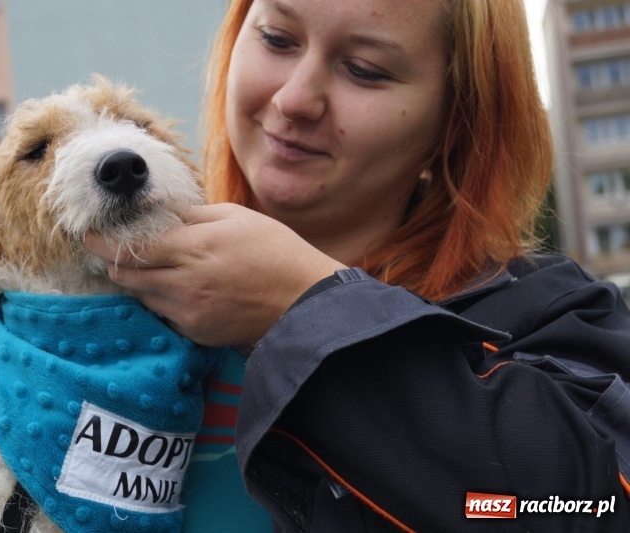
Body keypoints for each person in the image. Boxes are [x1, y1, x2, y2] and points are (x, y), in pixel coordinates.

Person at [86, 0, 630, 530]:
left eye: (365, 70)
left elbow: (591, 508)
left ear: (456, 120)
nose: (295, 98)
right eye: (277, 38)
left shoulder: (553, 314)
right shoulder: (97, 291)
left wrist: (307, 310)